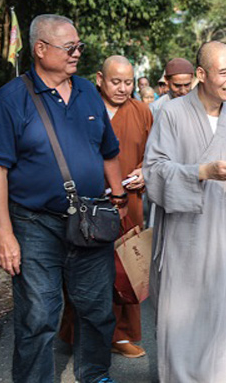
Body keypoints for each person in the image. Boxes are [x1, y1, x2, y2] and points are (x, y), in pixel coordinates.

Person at [0, 14, 125, 383]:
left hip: (90, 220)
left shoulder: (89, 92)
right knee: (38, 316)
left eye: (80, 46)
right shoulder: (11, 100)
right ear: (41, 49)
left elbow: (109, 150)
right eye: (69, 47)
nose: (78, 53)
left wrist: (119, 197)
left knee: (96, 309)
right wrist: (4, 235)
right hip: (34, 224)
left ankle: (94, 374)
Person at [143, 41, 226, 382]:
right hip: (185, 229)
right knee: (180, 309)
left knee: (218, 307)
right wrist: (200, 172)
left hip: (224, 224)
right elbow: (154, 169)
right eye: (224, 72)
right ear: (202, 75)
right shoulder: (173, 113)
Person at [58, 55, 153, 358]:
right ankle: (77, 332)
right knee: (81, 268)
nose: (123, 88)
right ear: (100, 78)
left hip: (129, 202)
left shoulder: (142, 112)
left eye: (128, 82)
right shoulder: (80, 106)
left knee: (128, 267)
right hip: (86, 203)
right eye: (116, 81)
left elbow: (156, 154)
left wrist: (144, 172)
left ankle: (123, 335)